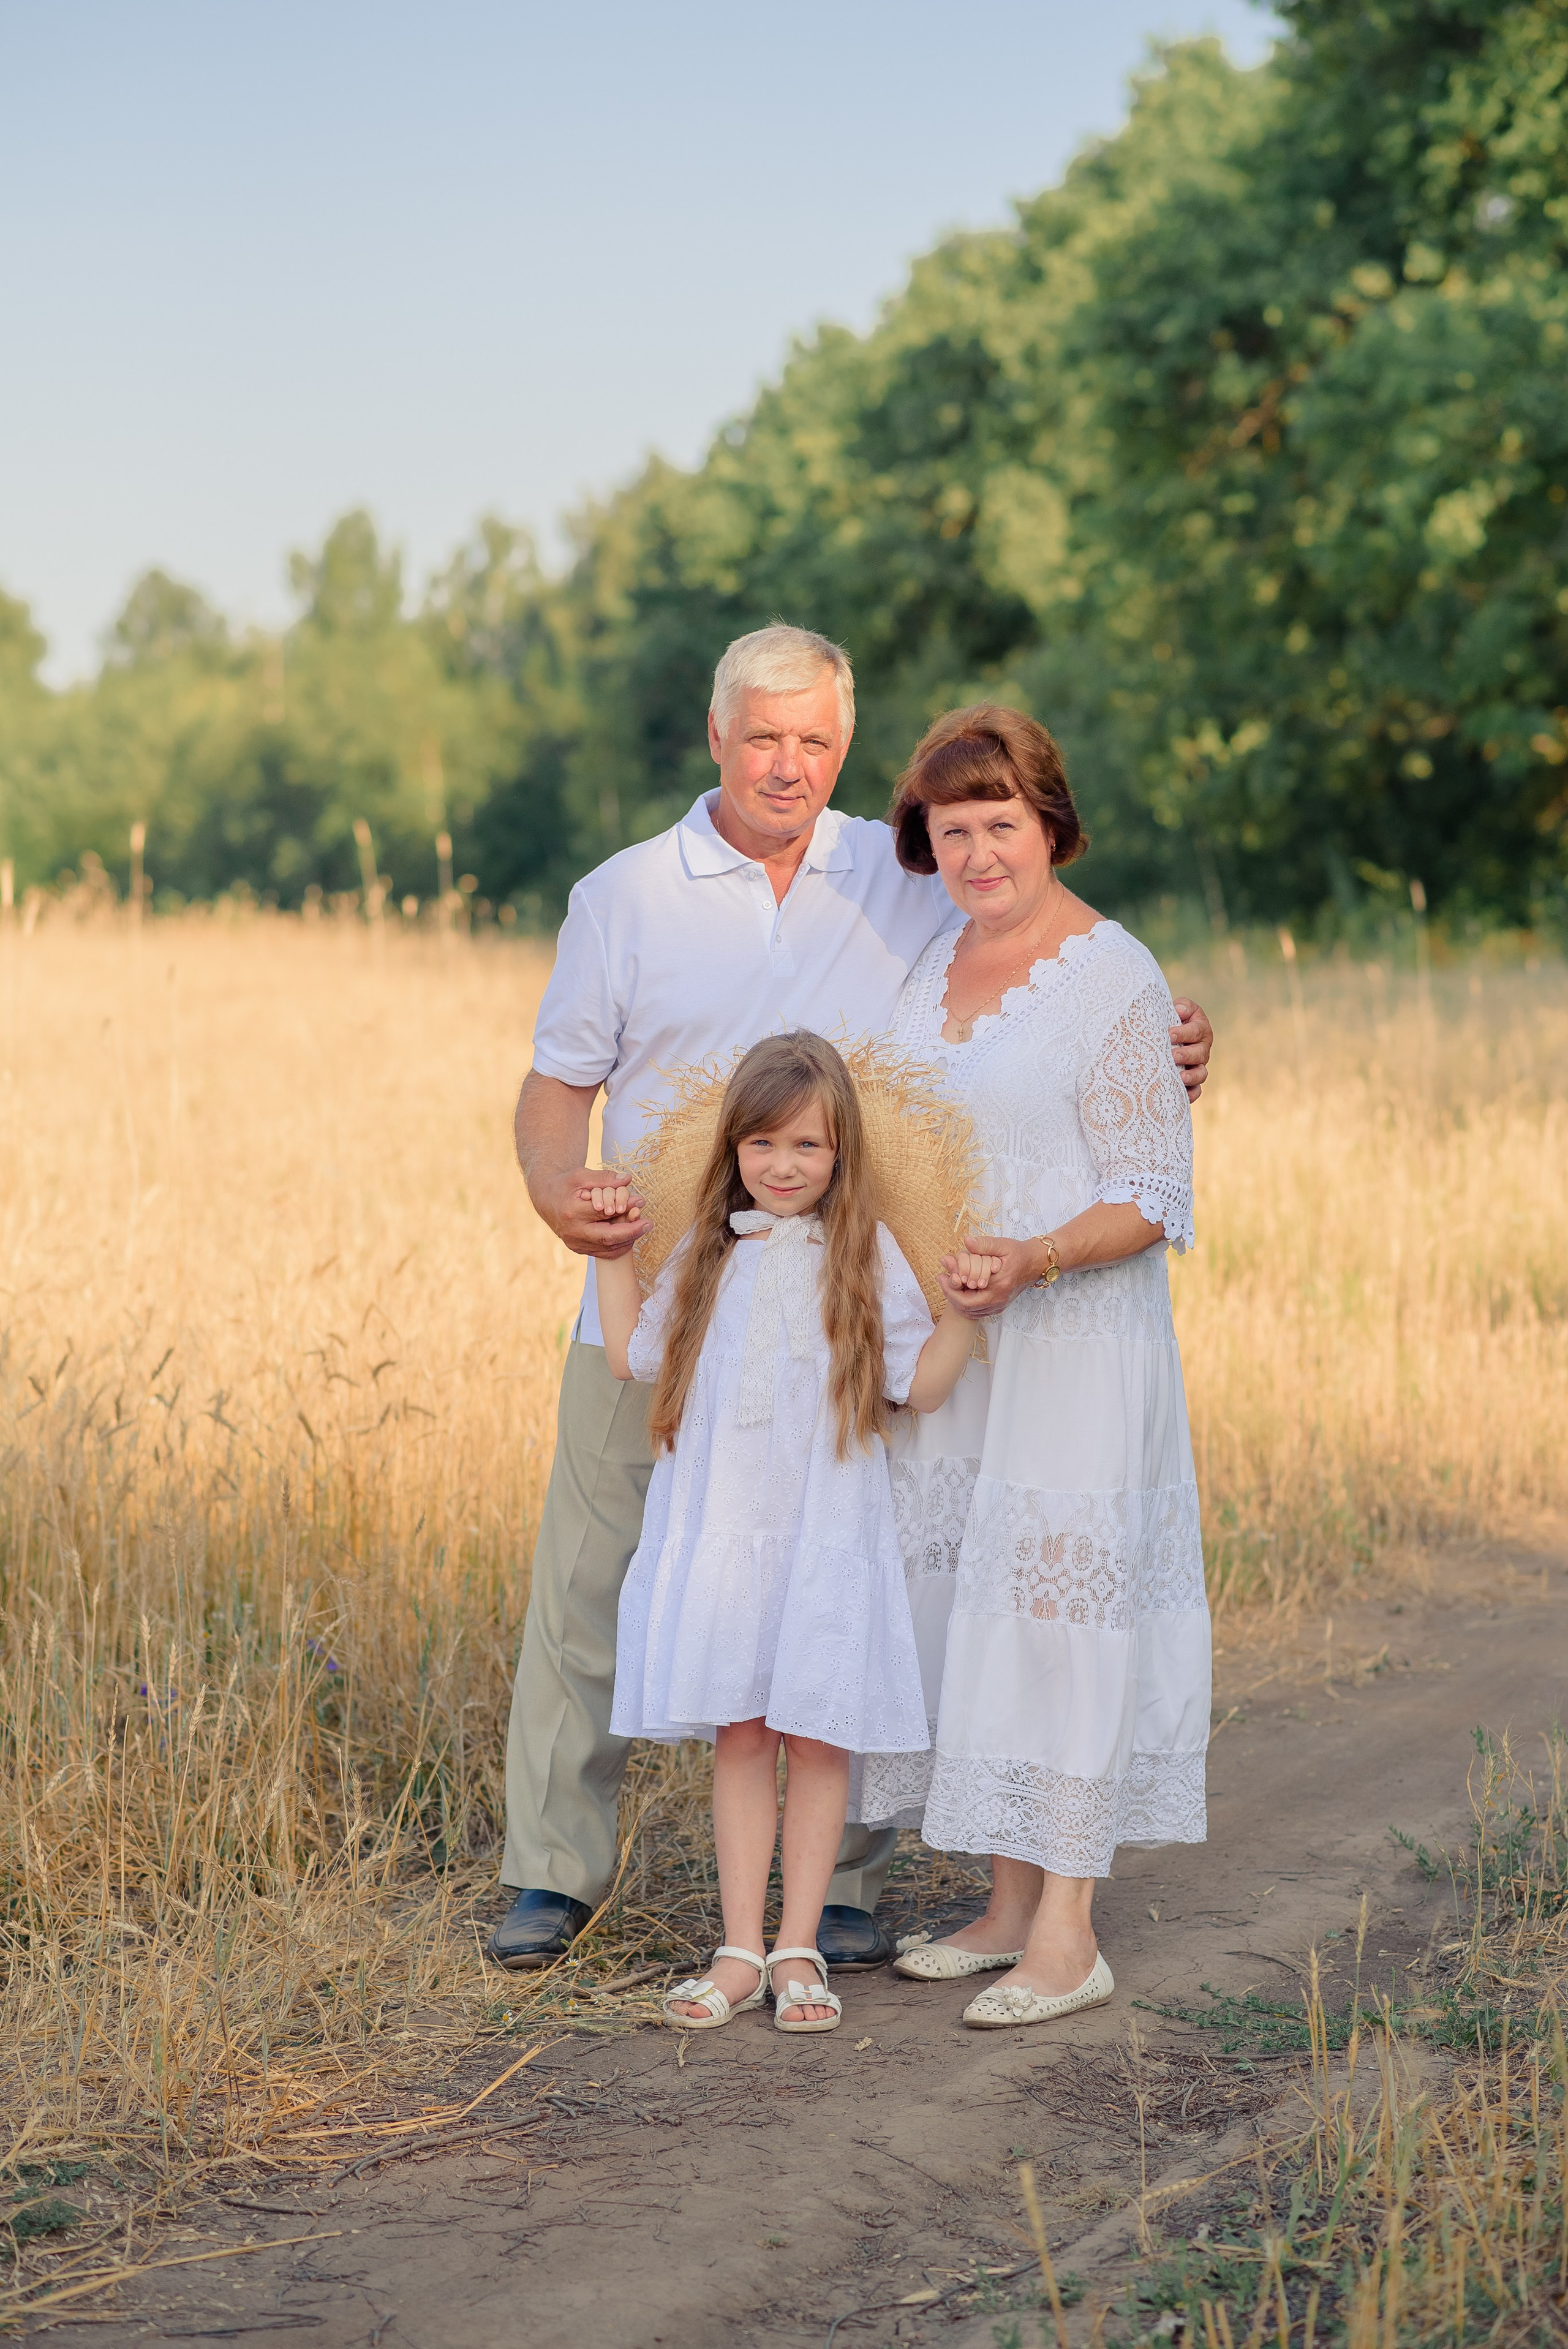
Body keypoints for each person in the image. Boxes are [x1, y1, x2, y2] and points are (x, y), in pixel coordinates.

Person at [489, 625, 1215, 1972]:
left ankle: (837, 1890)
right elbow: (555, 1084)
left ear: (843, 746)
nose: (788, 764)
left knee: (846, 1572)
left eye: (815, 740)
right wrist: (556, 1191)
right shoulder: (624, 895)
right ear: (714, 735)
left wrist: (1167, 1028)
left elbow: (1039, 954)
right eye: (763, 735)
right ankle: (553, 1870)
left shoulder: (896, 878)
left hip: (837, 1307)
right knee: (593, 1578)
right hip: (665, 1290)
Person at [857, 705, 1210, 2029]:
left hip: (1068, 1337)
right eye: (953, 829)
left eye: (1000, 822)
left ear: (1048, 823)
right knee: (970, 1607)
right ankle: (1003, 1902)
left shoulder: (1111, 971)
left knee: (1058, 1617)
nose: (978, 850)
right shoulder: (928, 965)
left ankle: (1067, 1930)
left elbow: (1151, 1192)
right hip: (961, 1347)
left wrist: (1032, 1259)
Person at [592, 1033, 979, 2030]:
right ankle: (736, 1949)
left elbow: (918, 1384)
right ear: (734, 1150)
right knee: (742, 1731)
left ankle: (799, 1946)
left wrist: (975, 1315)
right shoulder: (708, 1253)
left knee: (813, 1736)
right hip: (727, 1528)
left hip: (822, 1535)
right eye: (762, 1144)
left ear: (840, 1151)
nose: (784, 1165)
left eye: (807, 1145)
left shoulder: (866, 1256)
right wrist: (607, 1257)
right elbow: (636, 1355)